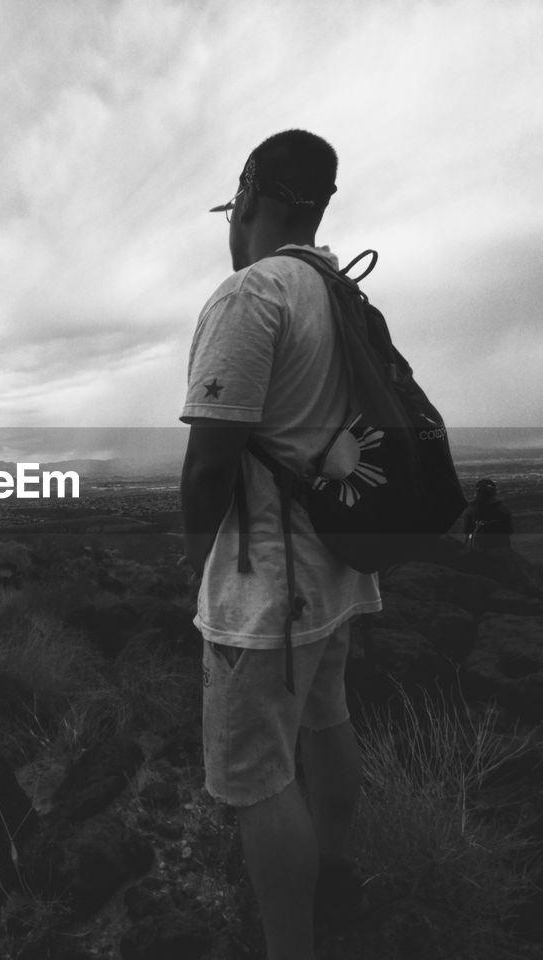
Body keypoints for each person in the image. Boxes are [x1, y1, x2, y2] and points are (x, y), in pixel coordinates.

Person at [179, 130, 382, 959]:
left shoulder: (251, 296)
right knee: (327, 720)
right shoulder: (342, 294)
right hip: (338, 566)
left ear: (251, 193)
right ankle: (334, 877)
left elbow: (210, 467)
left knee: (260, 781)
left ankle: (290, 946)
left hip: (266, 586)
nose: (233, 222)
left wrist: (204, 576)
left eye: (234, 205)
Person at [463, 478, 513, 551]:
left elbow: (467, 530)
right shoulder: (502, 508)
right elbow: (509, 530)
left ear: (477, 492)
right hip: (500, 548)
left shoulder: (471, 508)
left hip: (478, 548)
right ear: (493, 492)